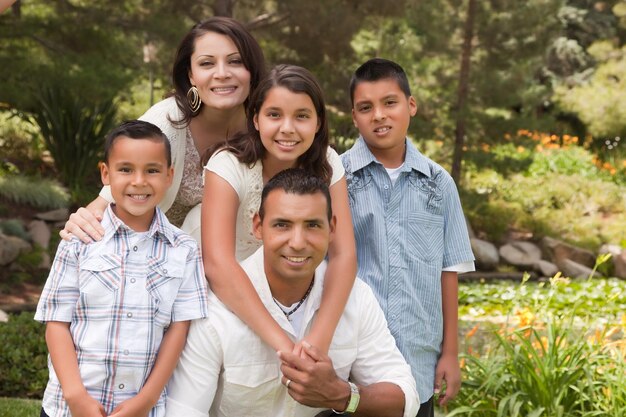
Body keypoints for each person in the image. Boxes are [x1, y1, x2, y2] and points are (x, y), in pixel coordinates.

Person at [165, 168, 419, 417]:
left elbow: (404, 397)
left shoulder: (355, 297)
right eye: (282, 225)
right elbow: (184, 410)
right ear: (258, 226)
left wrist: (341, 395)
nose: (297, 242)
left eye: (312, 225)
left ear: (331, 229)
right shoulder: (214, 311)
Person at [35, 120, 209, 417]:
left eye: (152, 170)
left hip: (141, 408)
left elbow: (178, 330)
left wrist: (147, 399)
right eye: (126, 169)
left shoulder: (184, 250)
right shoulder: (80, 240)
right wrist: (75, 396)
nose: (139, 181)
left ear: (169, 176)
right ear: (106, 174)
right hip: (69, 407)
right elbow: (56, 322)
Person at [341, 58, 475, 416]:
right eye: (366, 108)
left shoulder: (438, 183)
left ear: (410, 106)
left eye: (390, 103)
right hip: (353, 360)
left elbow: (448, 271)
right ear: (354, 116)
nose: (379, 115)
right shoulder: (336, 177)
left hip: (419, 358)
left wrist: (450, 352)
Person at [60, 16, 265, 240]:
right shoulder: (164, 123)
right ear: (191, 75)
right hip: (153, 255)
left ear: (252, 70)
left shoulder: (268, 124)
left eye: (235, 61)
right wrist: (81, 225)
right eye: (207, 63)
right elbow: (112, 196)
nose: (222, 73)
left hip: (240, 252)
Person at [200, 64, 357, 354]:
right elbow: (218, 264)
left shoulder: (328, 162)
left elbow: (344, 254)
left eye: (301, 116)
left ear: (318, 122)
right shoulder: (227, 165)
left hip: (292, 290)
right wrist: (285, 345)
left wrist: (316, 343)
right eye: (274, 115)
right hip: (225, 294)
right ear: (256, 119)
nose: (288, 128)